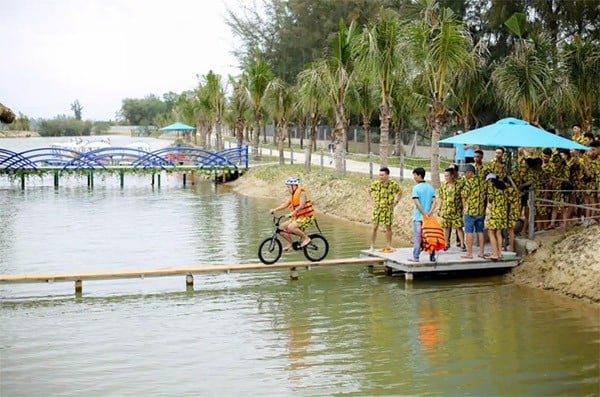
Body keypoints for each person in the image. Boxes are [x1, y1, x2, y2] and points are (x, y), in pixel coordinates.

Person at [270, 176, 315, 251]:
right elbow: (285, 204)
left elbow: (301, 205)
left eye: (288, 187)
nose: (288, 189)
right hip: (297, 217)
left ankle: (306, 238)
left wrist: (292, 213)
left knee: (291, 227)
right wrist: (275, 209)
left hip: (307, 217)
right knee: (281, 228)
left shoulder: (302, 193)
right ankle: (291, 243)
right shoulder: (292, 195)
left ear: (294, 186)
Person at [368, 167, 402, 252]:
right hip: (378, 208)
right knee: (374, 227)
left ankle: (389, 245)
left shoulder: (393, 184)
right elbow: (368, 191)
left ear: (387, 175)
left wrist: (395, 202)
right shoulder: (376, 184)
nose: (380, 177)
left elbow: (400, 192)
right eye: (379, 175)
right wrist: (371, 201)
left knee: (388, 227)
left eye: (382, 175)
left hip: (388, 208)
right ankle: (372, 246)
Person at [409, 167, 437, 262]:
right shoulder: (430, 187)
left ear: (419, 175)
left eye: (415, 175)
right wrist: (429, 212)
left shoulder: (416, 188)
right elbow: (434, 202)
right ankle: (432, 255)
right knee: (430, 236)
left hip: (418, 217)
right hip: (429, 217)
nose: (414, 177)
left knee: (417, 237)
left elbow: (417, 203)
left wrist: (423, 213)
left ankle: (416, 256)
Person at [461, 163, 487, 259]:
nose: (465, 175)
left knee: (469, 232)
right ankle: (481, 252)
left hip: (470, 211)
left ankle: (470, 253)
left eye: (465, 173)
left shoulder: (469, 182)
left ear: (470, 173)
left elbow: (464, 195)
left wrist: (464, 208)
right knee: (480, 232)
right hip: (480, 211)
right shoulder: (483, 182)